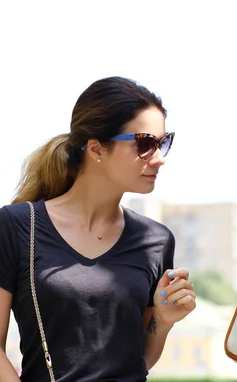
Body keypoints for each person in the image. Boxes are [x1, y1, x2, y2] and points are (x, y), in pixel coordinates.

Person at [0, 76, 197, 382]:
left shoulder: (156, 241)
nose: (159, 159)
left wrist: (162, 319)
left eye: (163, 143)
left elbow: (137, 360)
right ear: (96, 149)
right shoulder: (17, 226)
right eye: (145, 143)